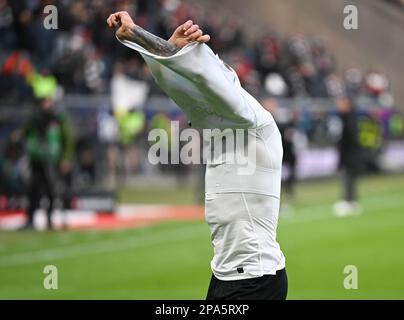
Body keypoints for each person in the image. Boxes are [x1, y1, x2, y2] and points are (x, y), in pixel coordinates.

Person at [107, 11, 287, 300]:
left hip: (254, 278)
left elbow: (209, 81)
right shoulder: (221, 127)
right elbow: (183, 89)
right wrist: (152, 43)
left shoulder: (258, 124)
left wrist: (164, 44)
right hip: (227, 274)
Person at [20, 97, 73, 230]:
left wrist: (65, 158)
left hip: (52, 159)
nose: (46, 105)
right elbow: (24, 133)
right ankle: (30, 219)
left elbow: (67, 139)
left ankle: (50, 218)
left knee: (52, 190)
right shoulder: (34, 119)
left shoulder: (58, 119)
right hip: (37, 158)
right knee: (34, 189)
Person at [333, 96, 363, 217]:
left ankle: (349, 202)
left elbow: (351, 139)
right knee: (349, 179)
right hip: (349, 155)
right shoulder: (346, 118)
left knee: (348, 179)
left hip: (350, 156)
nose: (339, 106)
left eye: (341, 103)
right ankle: (351, 201)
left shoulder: (350, 119)